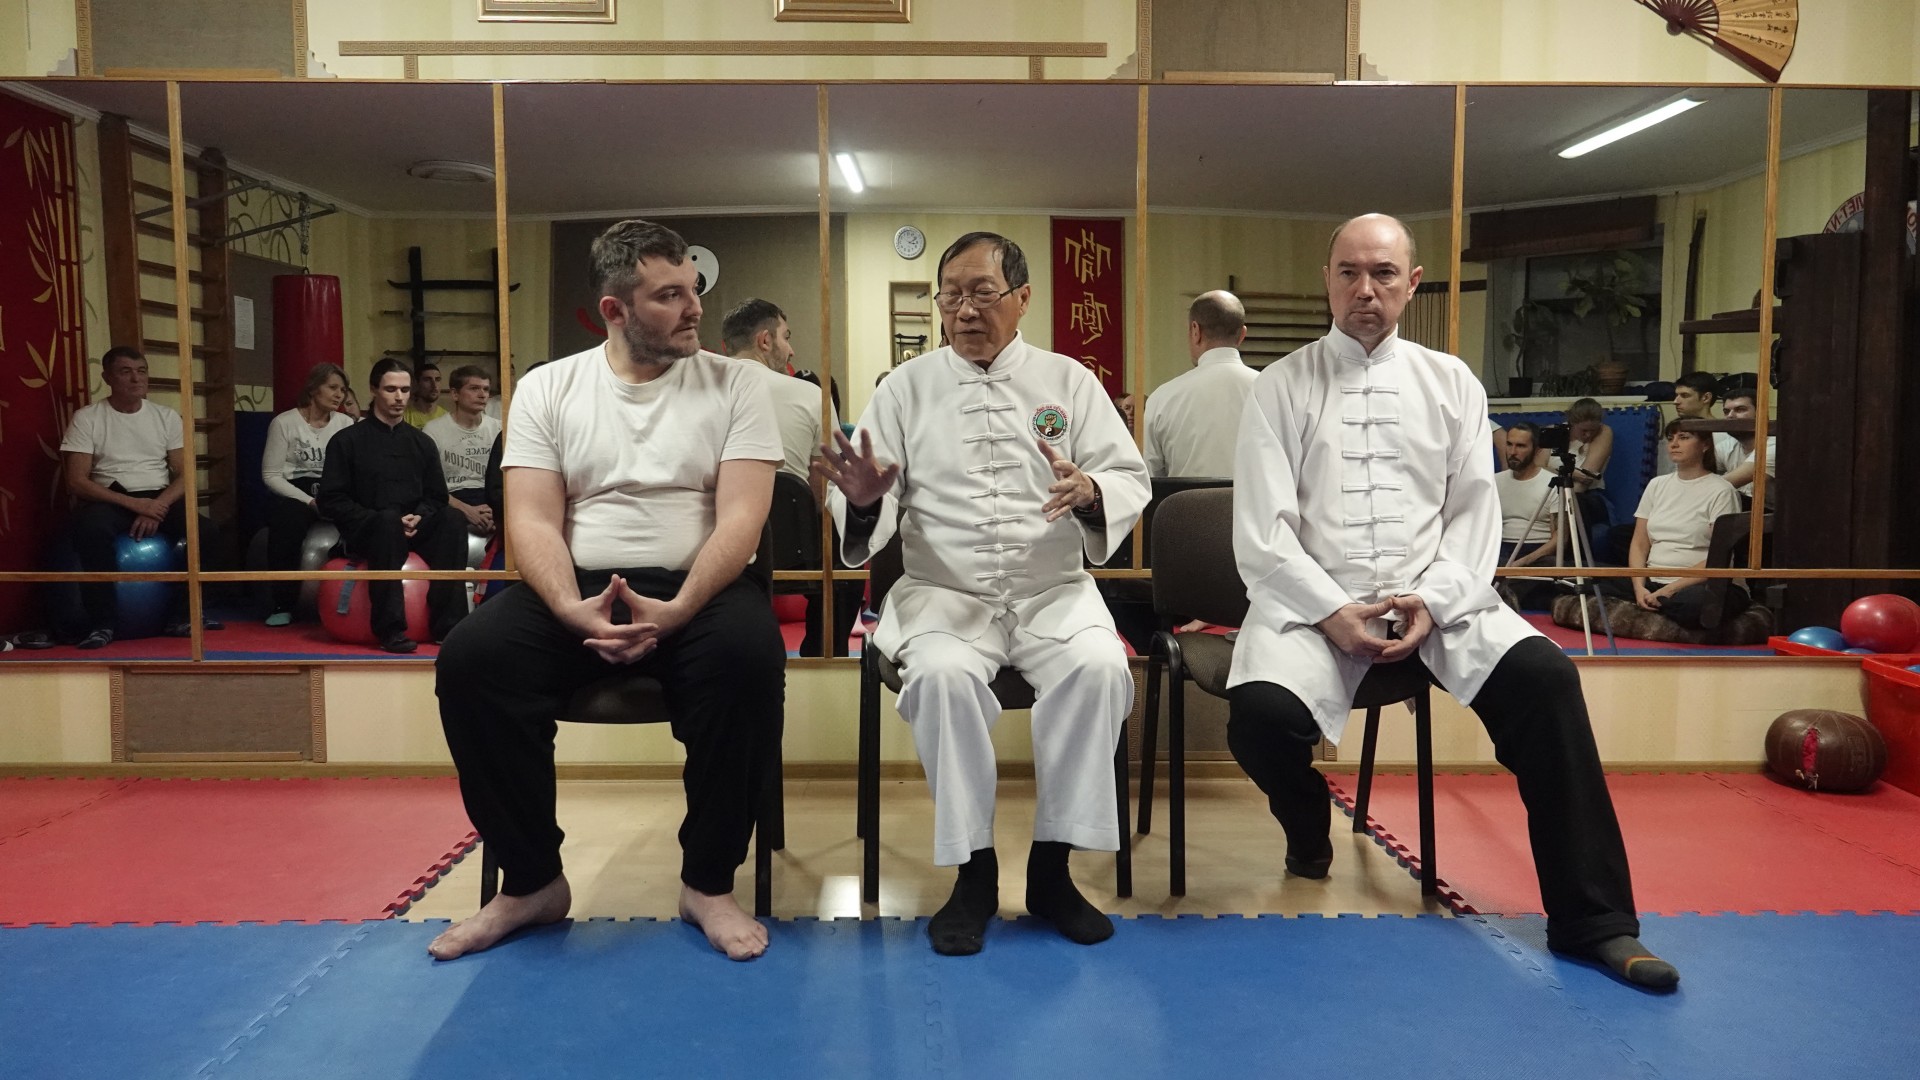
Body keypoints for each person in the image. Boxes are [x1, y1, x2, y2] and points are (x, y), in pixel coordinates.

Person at [1225, 214, 1677, 990]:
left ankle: (1595, 920)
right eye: (1348, 273)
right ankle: (1306, 823)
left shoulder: (1452, 382)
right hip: (1317, 604)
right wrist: (1331, 610)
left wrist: (1434, 602)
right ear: (1327, 281)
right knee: (1258, 720)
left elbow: (1474, 513)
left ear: (1412, 283)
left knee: (1547, 681)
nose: (1364, 289)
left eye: (1383, 274)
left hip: (1433, 596)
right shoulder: (1281, 385)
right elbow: (1263, 528)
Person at [430, 219, 784, 963]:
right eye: (669, 295)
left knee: (748, 659)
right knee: (472, 660)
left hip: (700, 589)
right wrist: (568, 607)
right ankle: (531, 881)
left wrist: (681, 607)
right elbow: (531, 518)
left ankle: (708, 883)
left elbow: (743, 518)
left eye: (693, 289)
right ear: (614, 310)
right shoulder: (548, 387)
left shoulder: (740, 383)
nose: (694, 307)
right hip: (576, 586)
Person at [820, 231, 1150, 957]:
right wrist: (867, 501)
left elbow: (1128, 476)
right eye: (951, 296)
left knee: (1101, 670)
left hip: (1052, 591)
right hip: (945, 594)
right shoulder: (903, 390)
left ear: (1023, 298)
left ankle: (1053, 870)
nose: (964, 311)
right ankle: (973, 872)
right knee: (940, 678)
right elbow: (864, 497)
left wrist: (1094, 491)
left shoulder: (1070, 382)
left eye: (982, 293)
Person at [60, 346, 220, 647]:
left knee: (207, 532)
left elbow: (186, 474)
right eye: (126, 372)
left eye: (141, 371)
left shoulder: (166, 417)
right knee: (90, 531)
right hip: (112, 498)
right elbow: (77, 481)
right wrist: (135, 504)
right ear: (107, 377)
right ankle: (103, 623)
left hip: (158, 497)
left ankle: (183, 615)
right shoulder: (88, 418)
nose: (136, 379)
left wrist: (157, 506)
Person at [317, 359, 469, 653]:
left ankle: (448, 626)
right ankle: (391, 630)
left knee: (452, 519)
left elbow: (437, 495)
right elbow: (332, 500)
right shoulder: (346, 441)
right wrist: (381, 520)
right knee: (387, 521)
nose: (399, 397)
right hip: (368, 529)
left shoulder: (422, 442)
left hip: (414, 525)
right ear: (374, 390)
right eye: (391, 389)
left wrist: (418, 518)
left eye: (405, 390)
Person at [1596, 420, 1743, 628]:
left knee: (1697, 605)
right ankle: (1653, 602)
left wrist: (1670, 590)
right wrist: (1638, 586)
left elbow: (1720, 557)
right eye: (1670, 438)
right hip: (1652, 579)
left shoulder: (1721, 490)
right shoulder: (1657, 484)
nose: (1674, 444)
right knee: (1579, 578)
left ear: (1705, 445)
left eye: (1684, 437)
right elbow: (1639, 543)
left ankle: (1660, 605)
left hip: (1696, 584)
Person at [260, 362, 355, 626]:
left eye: (343, 390)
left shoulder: (346, 423)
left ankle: (347, 600)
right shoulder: (284, 422)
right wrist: (309, 501)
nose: (339, 395)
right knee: (287, 523)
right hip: (296, 492)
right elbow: (271, 475)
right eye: (332, 387)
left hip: (333, 489)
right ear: (313, 389)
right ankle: (283, 603)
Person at [721, 298, 840, 492]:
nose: (791, 351)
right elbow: (824, 492)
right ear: (765, 340)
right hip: (790, 511)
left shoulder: (697, 394)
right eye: (786, 338)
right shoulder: (812, 396)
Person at [1141, 290, 1258, 477]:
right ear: (1242, 334)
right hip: (1257, 497)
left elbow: (1150, 479)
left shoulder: (1162, 399)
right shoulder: (1273, 392)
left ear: (1195, 331)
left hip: (1183, 498)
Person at [424, 366, 504, 539]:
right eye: (474, 388)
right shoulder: (434, 430)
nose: (482, 395)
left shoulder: (499, 429)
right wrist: (466, 510)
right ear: (455, 394)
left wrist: (498, 510)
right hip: (452, 499)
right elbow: (429, 486)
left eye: (486, 389)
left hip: (491, 497)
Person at [1714, 385, 1775, 509]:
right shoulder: (1728, 445)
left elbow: (1726, 483)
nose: (1730, 416)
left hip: (1781, 516)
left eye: (1740, 410)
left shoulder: (1775, 445)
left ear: (1761, 413)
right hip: (1748, 510)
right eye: (1726, 411)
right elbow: (1698, 472)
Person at [1563, 397, 1615, 529]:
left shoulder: (1604, 432)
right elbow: (1538, 468)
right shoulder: (1557, 432)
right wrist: (1571, 473)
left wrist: (1564, 506)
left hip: (1586, 494)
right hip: (1553, 492)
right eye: (1584, 431)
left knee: (1578, 506)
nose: (1588, 435)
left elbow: (1586, 478)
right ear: (1572, 423)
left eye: (1593, 430)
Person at [404, 361, 446, 429]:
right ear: (416, 383)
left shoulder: (446, 417)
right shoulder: (404, 417)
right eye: (427, 380)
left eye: (437, 380)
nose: (434, 385)